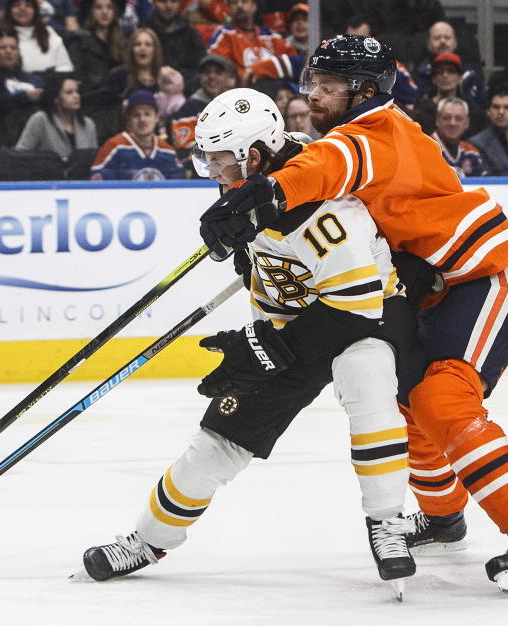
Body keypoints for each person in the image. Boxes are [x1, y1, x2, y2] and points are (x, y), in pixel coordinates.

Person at [195, 35, 508, 597]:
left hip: (481, 276)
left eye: (326, 88)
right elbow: (310, 157)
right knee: (406, 397)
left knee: (441, 400)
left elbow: (332, 163)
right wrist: (255, 189)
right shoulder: (345, 134)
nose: (313, 96)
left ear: (364, 91)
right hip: (431, 287)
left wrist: (266, 193)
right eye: (311, 85)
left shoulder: (379, 133)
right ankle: (444, 516)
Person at [81, 88, 417, 599]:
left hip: (364, 315)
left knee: (367, 389)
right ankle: (149, 540)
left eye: (217, 161)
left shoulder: (328, 212)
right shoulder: (262, 178)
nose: (211, 172)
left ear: (252, 157)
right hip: (292, 324)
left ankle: (388, 521)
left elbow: (355, 309)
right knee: (218, 439)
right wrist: (246, 255)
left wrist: (261, 346)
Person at [89, 89, 182, 180]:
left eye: (147, 114)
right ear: (129, 119)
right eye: (136, 115)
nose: (142, 119)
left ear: (157, 117)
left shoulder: (168, 152)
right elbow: (99, 181)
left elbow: (179, 186)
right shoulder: (114, 146)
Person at [207, 0, 297, 81]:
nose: (239, 5)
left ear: (254, 6)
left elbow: (296, 62)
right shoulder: (223, 35)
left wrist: (259, 69)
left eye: (244, 1)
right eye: (234, 2)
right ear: (229, 8)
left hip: (276, 92)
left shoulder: (272, 37)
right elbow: (219, 69)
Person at [412, 21, 486, 115]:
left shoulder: (471, 75)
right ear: (429, 45)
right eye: (437, 38)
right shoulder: (417, 76)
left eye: (447, 37)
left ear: (455, 43)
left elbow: (482, 108)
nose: (442, 41)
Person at [15, 73, 97, 158]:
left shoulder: (88, 124)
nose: (76, 96)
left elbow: (95, 160)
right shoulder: (40, 120)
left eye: (77, 92)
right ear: (56, 98)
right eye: (69, 93)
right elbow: (20, 154)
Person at [168, 53, 236, 150]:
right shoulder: (189, 108)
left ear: (227, 77)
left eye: (218, 72)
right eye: (207, 72)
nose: (212, 76)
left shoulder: (234, 104)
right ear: (200, 77)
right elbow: (183, 146)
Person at [410, 52, 483, 136]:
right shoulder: (421, 110)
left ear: (460, 78)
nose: (445, 75)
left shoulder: (472, 110)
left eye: (451, 71)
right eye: (440, 72)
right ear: (434, 78)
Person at [0, 0, 72, 73]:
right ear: (9, 10)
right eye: (16, 5)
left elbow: (65, 66)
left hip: (50, 82)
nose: (22, 9)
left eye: (28, 5)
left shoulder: (48, 32)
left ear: (35, 10)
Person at [146, 0, 205, 93]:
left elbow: (201, 67)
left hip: (186, 89)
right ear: (154, 3)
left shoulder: (191, 34)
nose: (169, 6)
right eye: (163, 2)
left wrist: (180, 81)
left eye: (173, 1)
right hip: (152, 90)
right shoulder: (145, 33)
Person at [431, 96, 485, 178]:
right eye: (446, 118)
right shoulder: (425, 147)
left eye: (459, 119)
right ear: (437, 120)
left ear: (467, 123)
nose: (452, 123)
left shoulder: (471, 152)